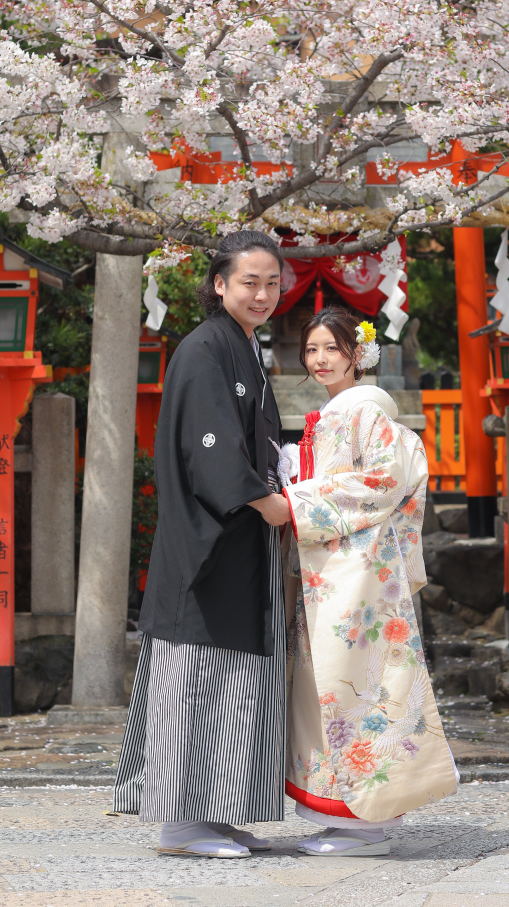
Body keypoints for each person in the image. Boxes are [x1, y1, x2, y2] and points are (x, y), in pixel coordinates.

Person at [113, 230, 291, 859]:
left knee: (234, 683)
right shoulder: (203, 349)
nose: (263, 293)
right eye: (250, 281)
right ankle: (180, 821)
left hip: (239, 543)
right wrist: (266, 500)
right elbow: (209, 446)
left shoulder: (242, 348)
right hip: (208, 544)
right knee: (195, 677)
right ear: (219, 284)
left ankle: (215, 812)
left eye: (272, 282)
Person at [279, 305, 459, 857]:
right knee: (330, 688)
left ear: (357, 355)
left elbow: (385, 479)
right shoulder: (343, 410)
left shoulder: (364, 409)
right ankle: (346, 817)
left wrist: (298, 495)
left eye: (331, 348)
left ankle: (365, 824)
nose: (319, 359)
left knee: (353, 685)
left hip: (356, 571)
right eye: (311, 350)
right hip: (337, 566)